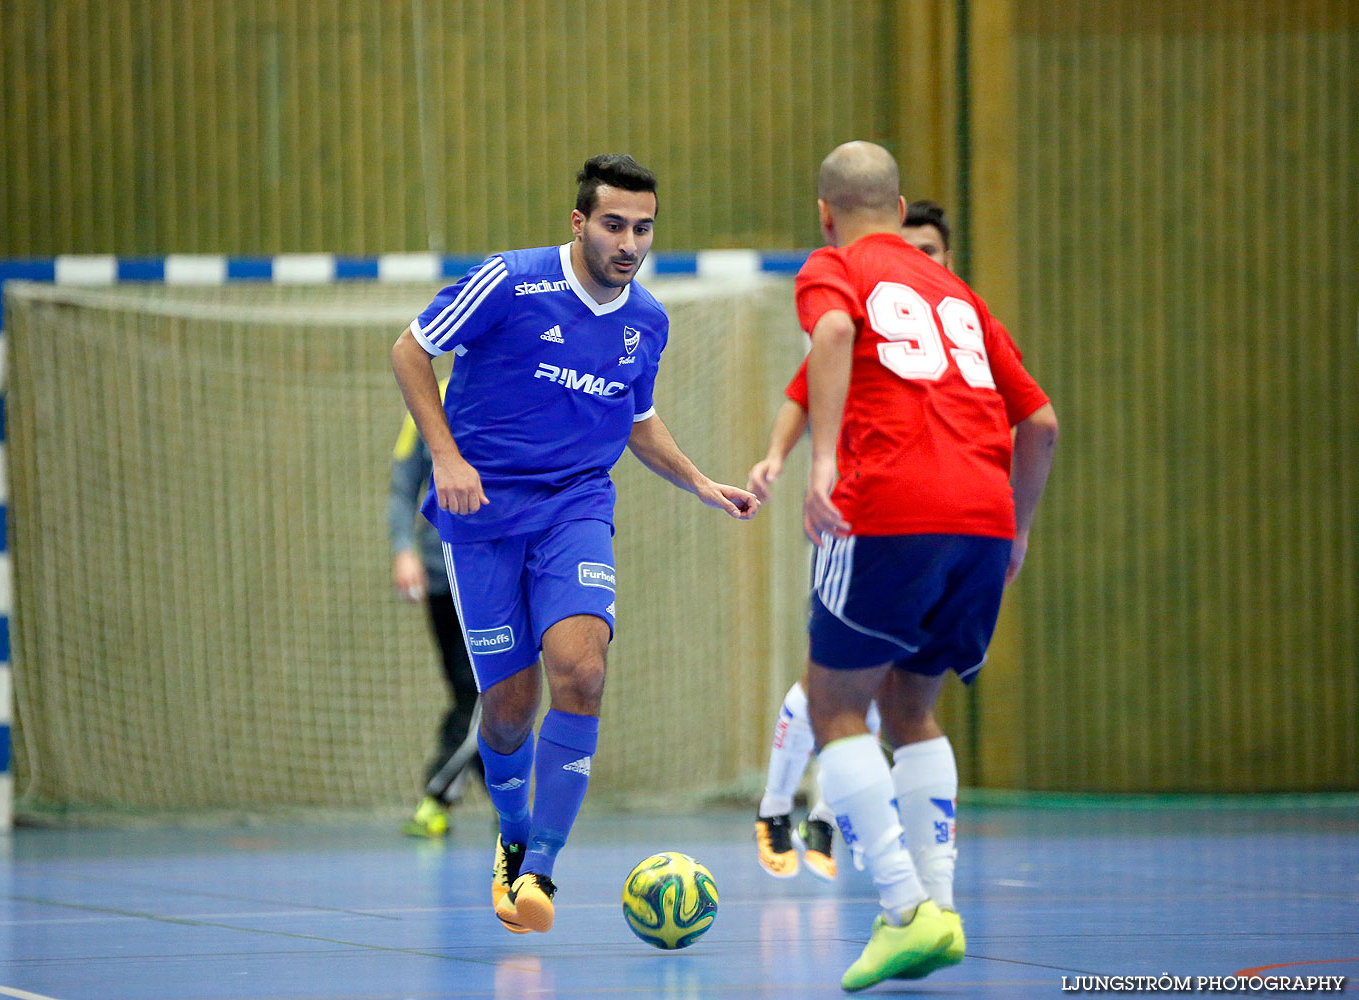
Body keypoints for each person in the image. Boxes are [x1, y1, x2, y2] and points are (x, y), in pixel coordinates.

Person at [390, 154, 759, 935]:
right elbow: (409, 350)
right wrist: (448, 458)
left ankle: (542, 871)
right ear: (580, 222)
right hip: (483, 511)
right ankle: (512, 833)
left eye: (644, 227)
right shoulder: (511, 282)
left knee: (581, 673)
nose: (630, 242)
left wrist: (697, 479)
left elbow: (635, 419)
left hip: (576, 507)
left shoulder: (647, 322)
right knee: (509, 708)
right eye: (615, 224)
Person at [796, 141, 1058, 990]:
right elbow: (1042, 422)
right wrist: (1015, 529)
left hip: (891, 508)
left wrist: (821, 464)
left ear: (826, 213)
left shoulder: (837, 267)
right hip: (982, 518)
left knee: (835, 706)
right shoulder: (960, 293)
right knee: (913, 708)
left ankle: (905, 907)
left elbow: (833, 329)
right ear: (903, 207)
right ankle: (940, 908)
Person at [749, 200, 955, 882]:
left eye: (933, 251)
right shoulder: (861, 306)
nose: (920, 260)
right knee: (837, 677)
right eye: (911, 246)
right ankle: (783, 806)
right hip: (864, 512)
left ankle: (835, 819)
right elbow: (808, 387)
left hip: (946, 522)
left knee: (901, 693)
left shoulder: (961, 324)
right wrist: (784, 458)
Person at [388, 381, 486, 839]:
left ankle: (437, 795)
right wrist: (403, 549)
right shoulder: (430, 398)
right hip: (440, 571)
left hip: (494, 573)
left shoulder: (522, 383)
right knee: (471, 692)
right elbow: (403, 484)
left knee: (485, 691)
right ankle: (508, 803)